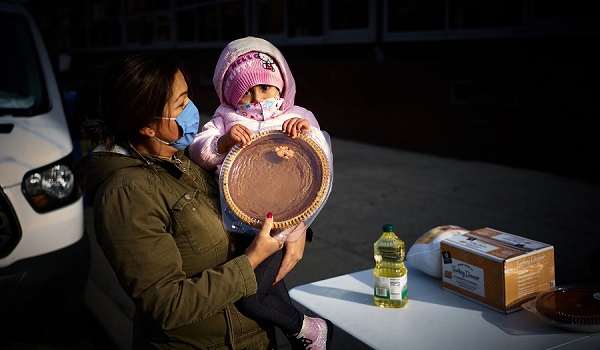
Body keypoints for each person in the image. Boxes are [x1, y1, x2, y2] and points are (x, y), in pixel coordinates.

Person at [73, 52, 301, 349]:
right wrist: (251, 261)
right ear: (147, 126)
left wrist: (296, 230)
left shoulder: (180, 159)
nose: (192, 109)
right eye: (181, 104)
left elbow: (245, 202)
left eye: (188, 98)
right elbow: (167, 306)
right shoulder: (126, 195)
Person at [188, 37, 333, 350]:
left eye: (265, 88)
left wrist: (304, 135)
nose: (257, 98)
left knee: (251, 296)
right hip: (239, 222)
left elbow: (320, 165)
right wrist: (222, 142)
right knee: (270, 286)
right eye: (246, 93)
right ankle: (306, 333)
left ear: (280, 85)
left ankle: (305, 329)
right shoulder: (224, 119)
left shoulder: (297, 116)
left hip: (281, 223)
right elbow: (198, 149)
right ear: (231, 96)